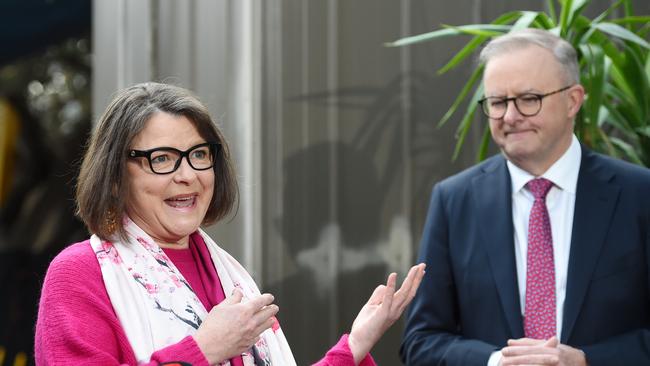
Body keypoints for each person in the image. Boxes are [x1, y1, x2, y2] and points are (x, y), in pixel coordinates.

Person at [34, 82, 426, 366]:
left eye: (198, 154)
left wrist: (354, 345)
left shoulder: (225, 273)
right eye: (162, 159)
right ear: (116, 175)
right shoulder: (80, 274)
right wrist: (202, 351)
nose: (187, 174)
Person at [400, 28, 650, 366]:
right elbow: (421, 341)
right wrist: (497, 362)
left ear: (573, 101)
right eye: (498, 102)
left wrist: (587, 361)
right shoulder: (454, 200)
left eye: (529, 99)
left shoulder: (639, 194)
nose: (510, 116)